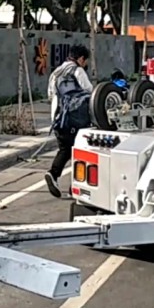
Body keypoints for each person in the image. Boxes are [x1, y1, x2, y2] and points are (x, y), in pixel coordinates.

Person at [44, 44, 93, 198]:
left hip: (58, 119)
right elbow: (90, 90)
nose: (85, 64)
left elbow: (50, 95)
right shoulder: (77, 71)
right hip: (75, 119)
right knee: (80, 152)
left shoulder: (56, 72)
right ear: (80, 59)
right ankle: (74, 187)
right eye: (85, 61)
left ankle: (54, 174)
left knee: (65, 149)